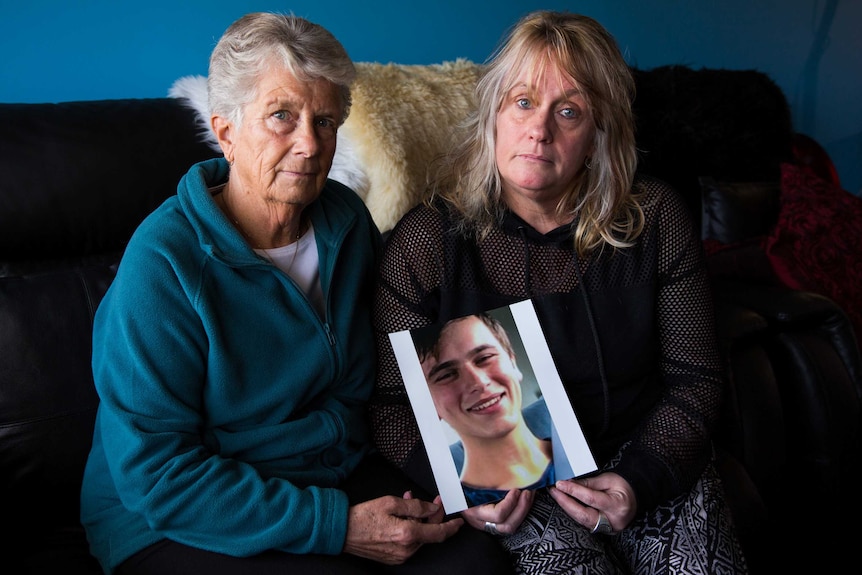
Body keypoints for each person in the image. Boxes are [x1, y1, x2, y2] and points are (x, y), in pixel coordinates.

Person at [79, 12, 513, 575]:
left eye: (326, 121)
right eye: (281, 116)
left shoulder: (346, 223)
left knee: (478, 564)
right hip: (182, 512)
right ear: (227, 131)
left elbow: (389, 370)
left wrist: (482, 470)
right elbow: (158, 476)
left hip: (330, 471)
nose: (309, 145)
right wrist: (334, 525)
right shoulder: (163, 266)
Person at [370, 10, 749, 574]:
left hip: (641, 450)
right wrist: (465, 487)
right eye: (522, 102)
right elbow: (389, 406)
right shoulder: (427, 239)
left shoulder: (656, 218)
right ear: (493, 114)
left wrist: (639, 481)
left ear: (599, 135)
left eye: (567, 111)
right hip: (514, 475)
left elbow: (696, 378)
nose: (538, 130)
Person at [412, 313, 556, 506]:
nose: (479, 382)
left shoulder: (580, 443)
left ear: (513, 364)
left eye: (484, 358)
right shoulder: (449, 506)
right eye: (446, 375)